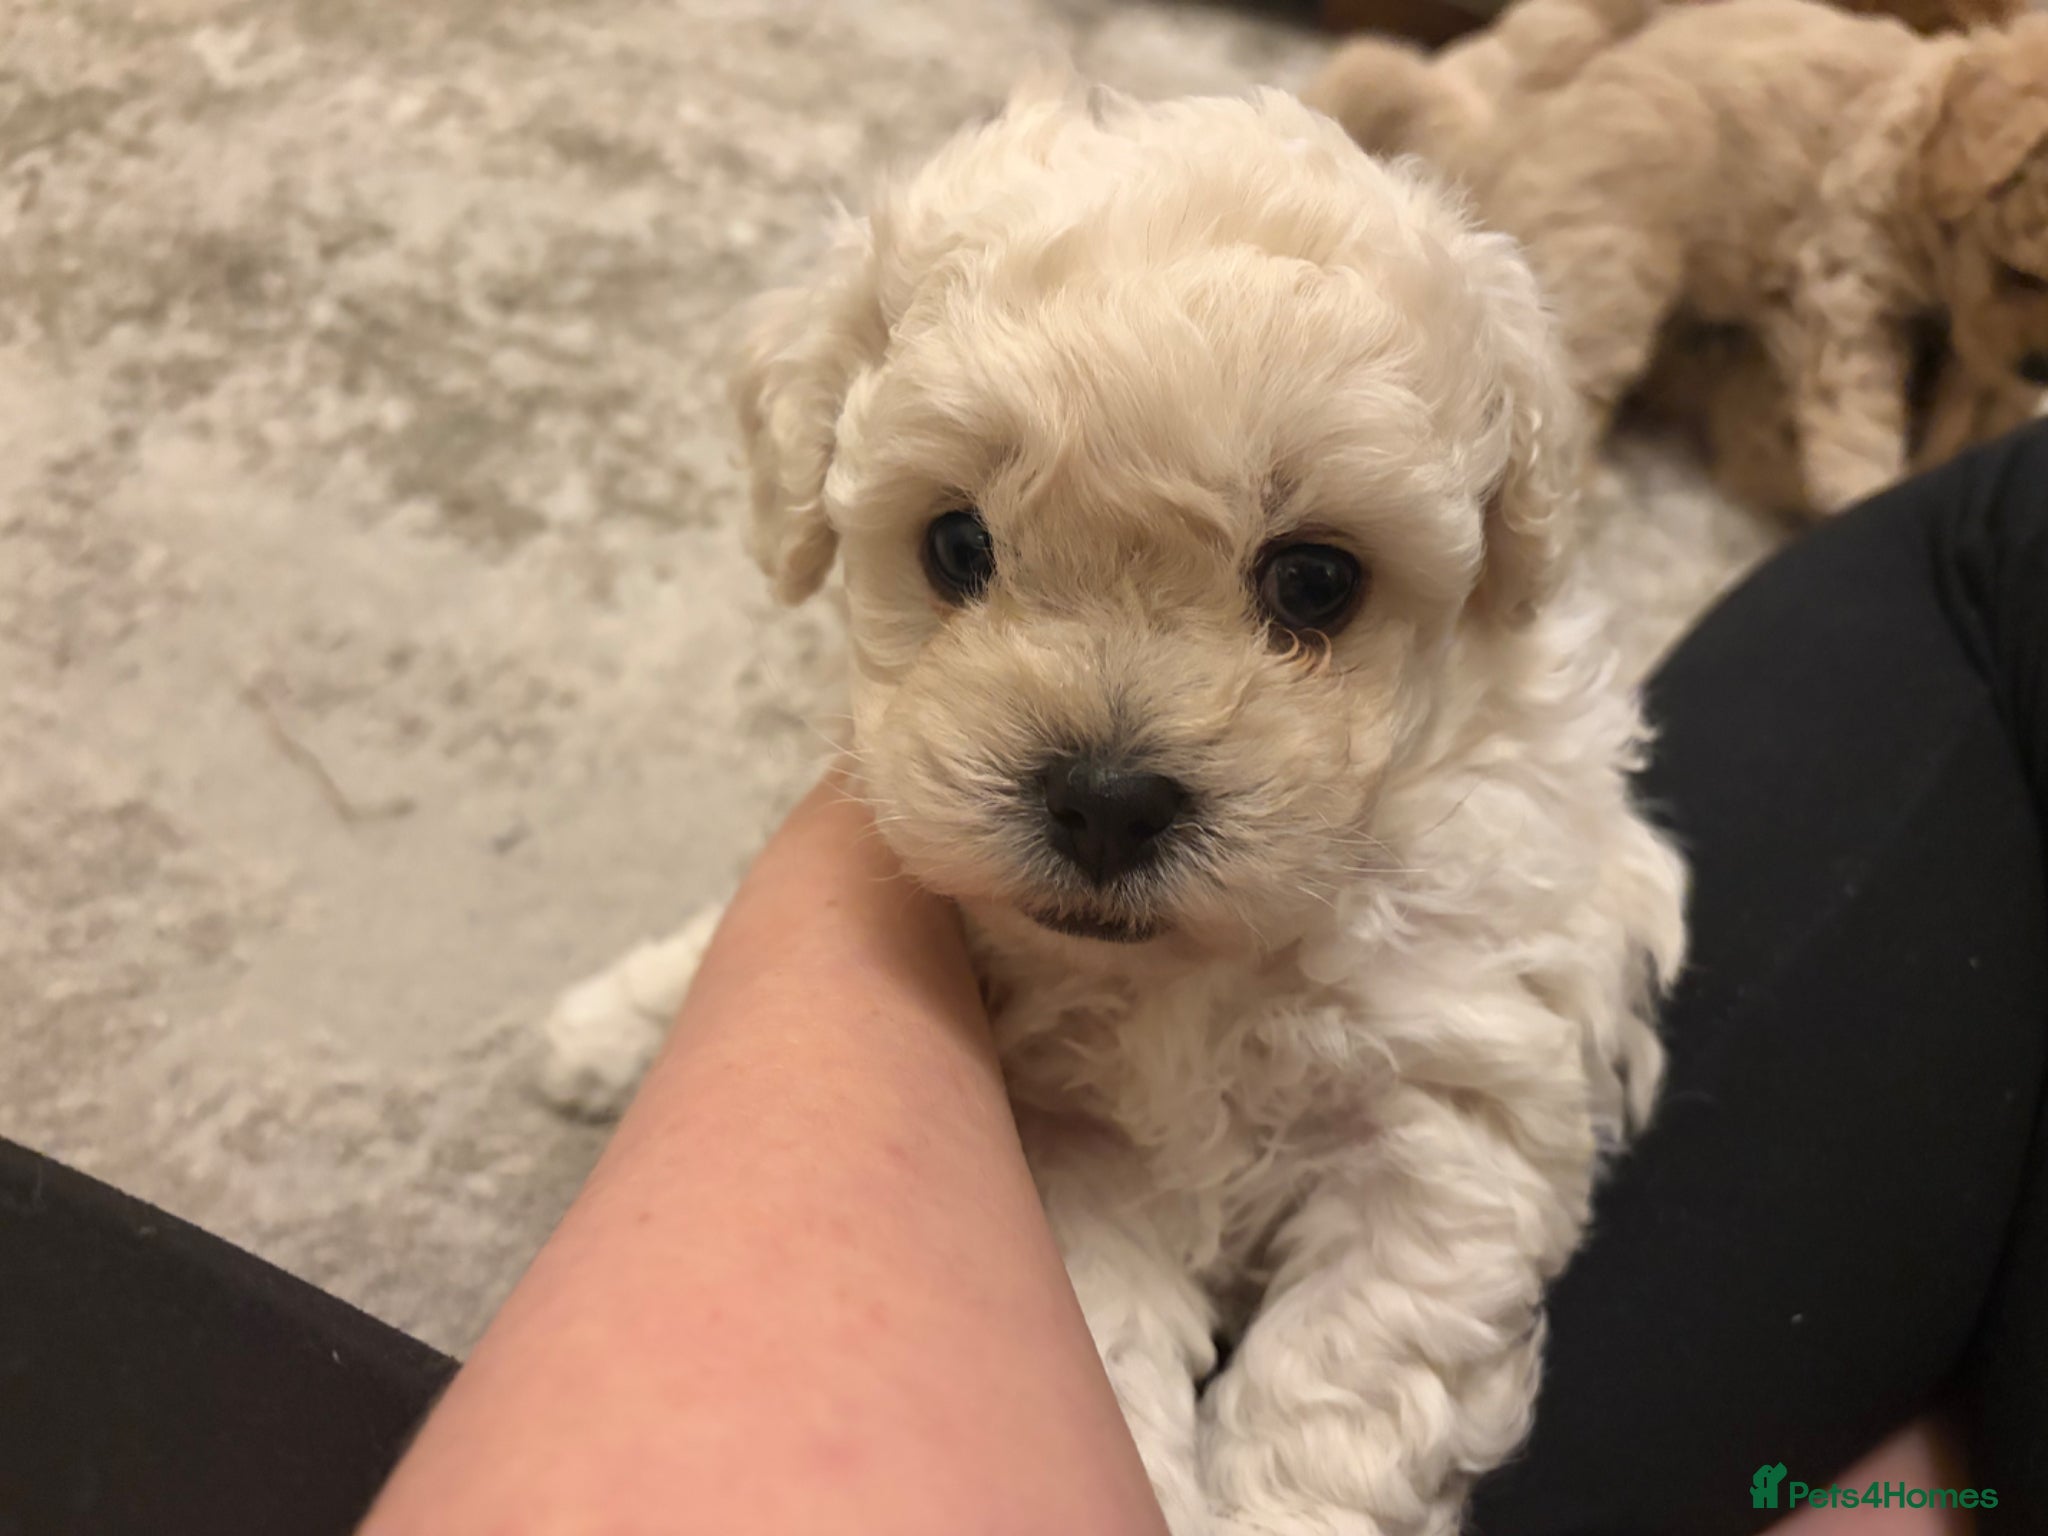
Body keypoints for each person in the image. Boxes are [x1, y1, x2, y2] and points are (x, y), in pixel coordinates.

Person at [4, 424, 2044, 1536]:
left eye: (1305, 587)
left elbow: (1434, 1218)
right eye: (967, 551)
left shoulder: (1489, 882)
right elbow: (1065, 1137)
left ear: (1486, 551)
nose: (1107, 759)